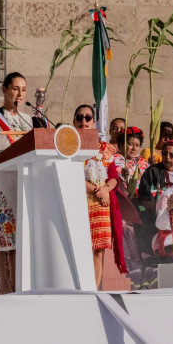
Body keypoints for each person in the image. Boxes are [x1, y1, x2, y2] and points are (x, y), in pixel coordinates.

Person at [0, 72, 33, 293]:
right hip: (2, 184)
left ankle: (17, 285)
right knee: (2, 239)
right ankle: (3, 285)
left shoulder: (29, 120)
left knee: (17, 240)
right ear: (4, 90)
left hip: (24, 184)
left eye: (23, 90)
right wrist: (15, 153)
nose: (19, 94)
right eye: (15, 89)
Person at [74, 104, 126, 288]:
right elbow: (70, 175)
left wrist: (106, 189)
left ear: (93, 122)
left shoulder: (104, 147)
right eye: (79, 117)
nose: (83, 121)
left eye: (88, 117)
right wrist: (98, 190)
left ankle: (94, 290)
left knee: (98, 250)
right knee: (80, 249)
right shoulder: (69, 146)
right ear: (74, 122)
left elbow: (113, 176)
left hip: (102, 203)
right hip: (79, 202)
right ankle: (80, 289)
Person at [135, 140, 173, 254]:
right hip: (154, 216)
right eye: (165, 154)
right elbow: (145, 198)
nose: (167, 157)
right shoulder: (152, 171)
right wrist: (161, 212)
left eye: (171, 155)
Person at [112, 126, 149, 197]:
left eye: (137, 145)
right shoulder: (114, 160)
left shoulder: (142, 162)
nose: (134, 148)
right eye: (130, 144)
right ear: (121, 144)